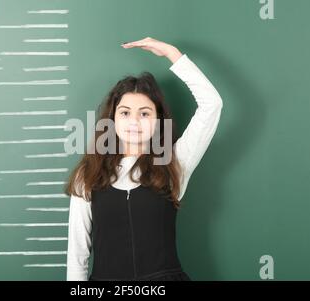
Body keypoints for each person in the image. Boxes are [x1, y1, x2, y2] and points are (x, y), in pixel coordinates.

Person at [65, 37, 223, 281]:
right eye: (125, 113)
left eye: (145, 113)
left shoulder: (174, 163)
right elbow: (77, 256)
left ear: (158, 121)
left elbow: (212, 105)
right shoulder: (87, 175)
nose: (134, 122)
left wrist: (173, 54)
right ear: (113, 119)